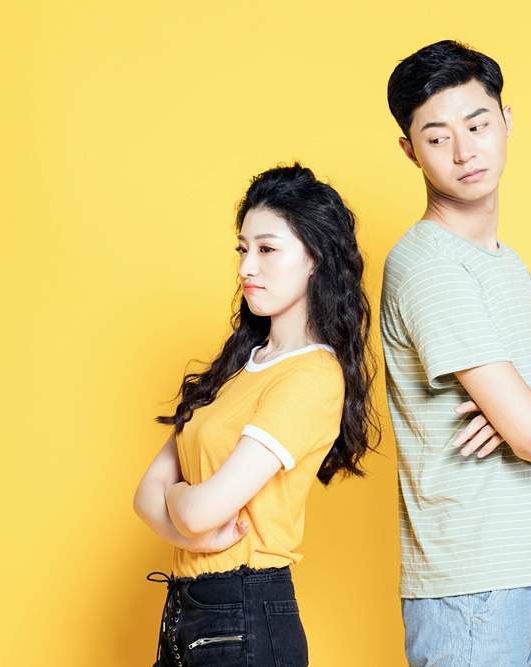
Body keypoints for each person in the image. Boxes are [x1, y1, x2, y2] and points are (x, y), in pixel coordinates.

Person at [381, 40, 531, 666]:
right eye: (437, 137)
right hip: (471, 579)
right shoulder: (431, 267)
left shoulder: (506, 266)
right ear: (410, 150)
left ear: (507, 122)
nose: (464, 151)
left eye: (477, 125)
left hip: (522, 567)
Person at [134, 163, 376, 667]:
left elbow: (195, 510)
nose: (247, 267)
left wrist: (179, 501)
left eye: (267, 249)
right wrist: (189, 527)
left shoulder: (312, 376)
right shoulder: (236, 367)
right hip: (189, 610)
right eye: (243, 249)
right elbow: (144, 496)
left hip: (243, 615)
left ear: (315, 258)